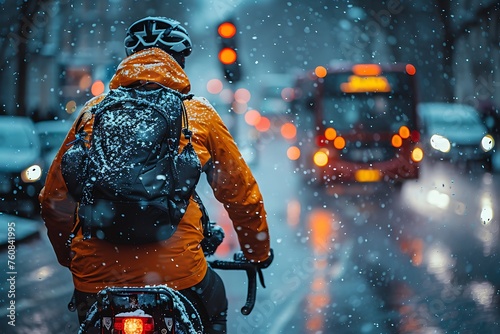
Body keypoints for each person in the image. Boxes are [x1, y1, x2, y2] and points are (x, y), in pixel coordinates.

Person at [39, 16, 272, 333]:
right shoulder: (198, 114)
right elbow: (241, 195)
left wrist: (71, 257)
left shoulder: (92, 112)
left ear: (129, 59)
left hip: (95, 274)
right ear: (178, 61)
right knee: (215, 300)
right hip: (177, 272)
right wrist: (257, 253)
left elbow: (53, 200)